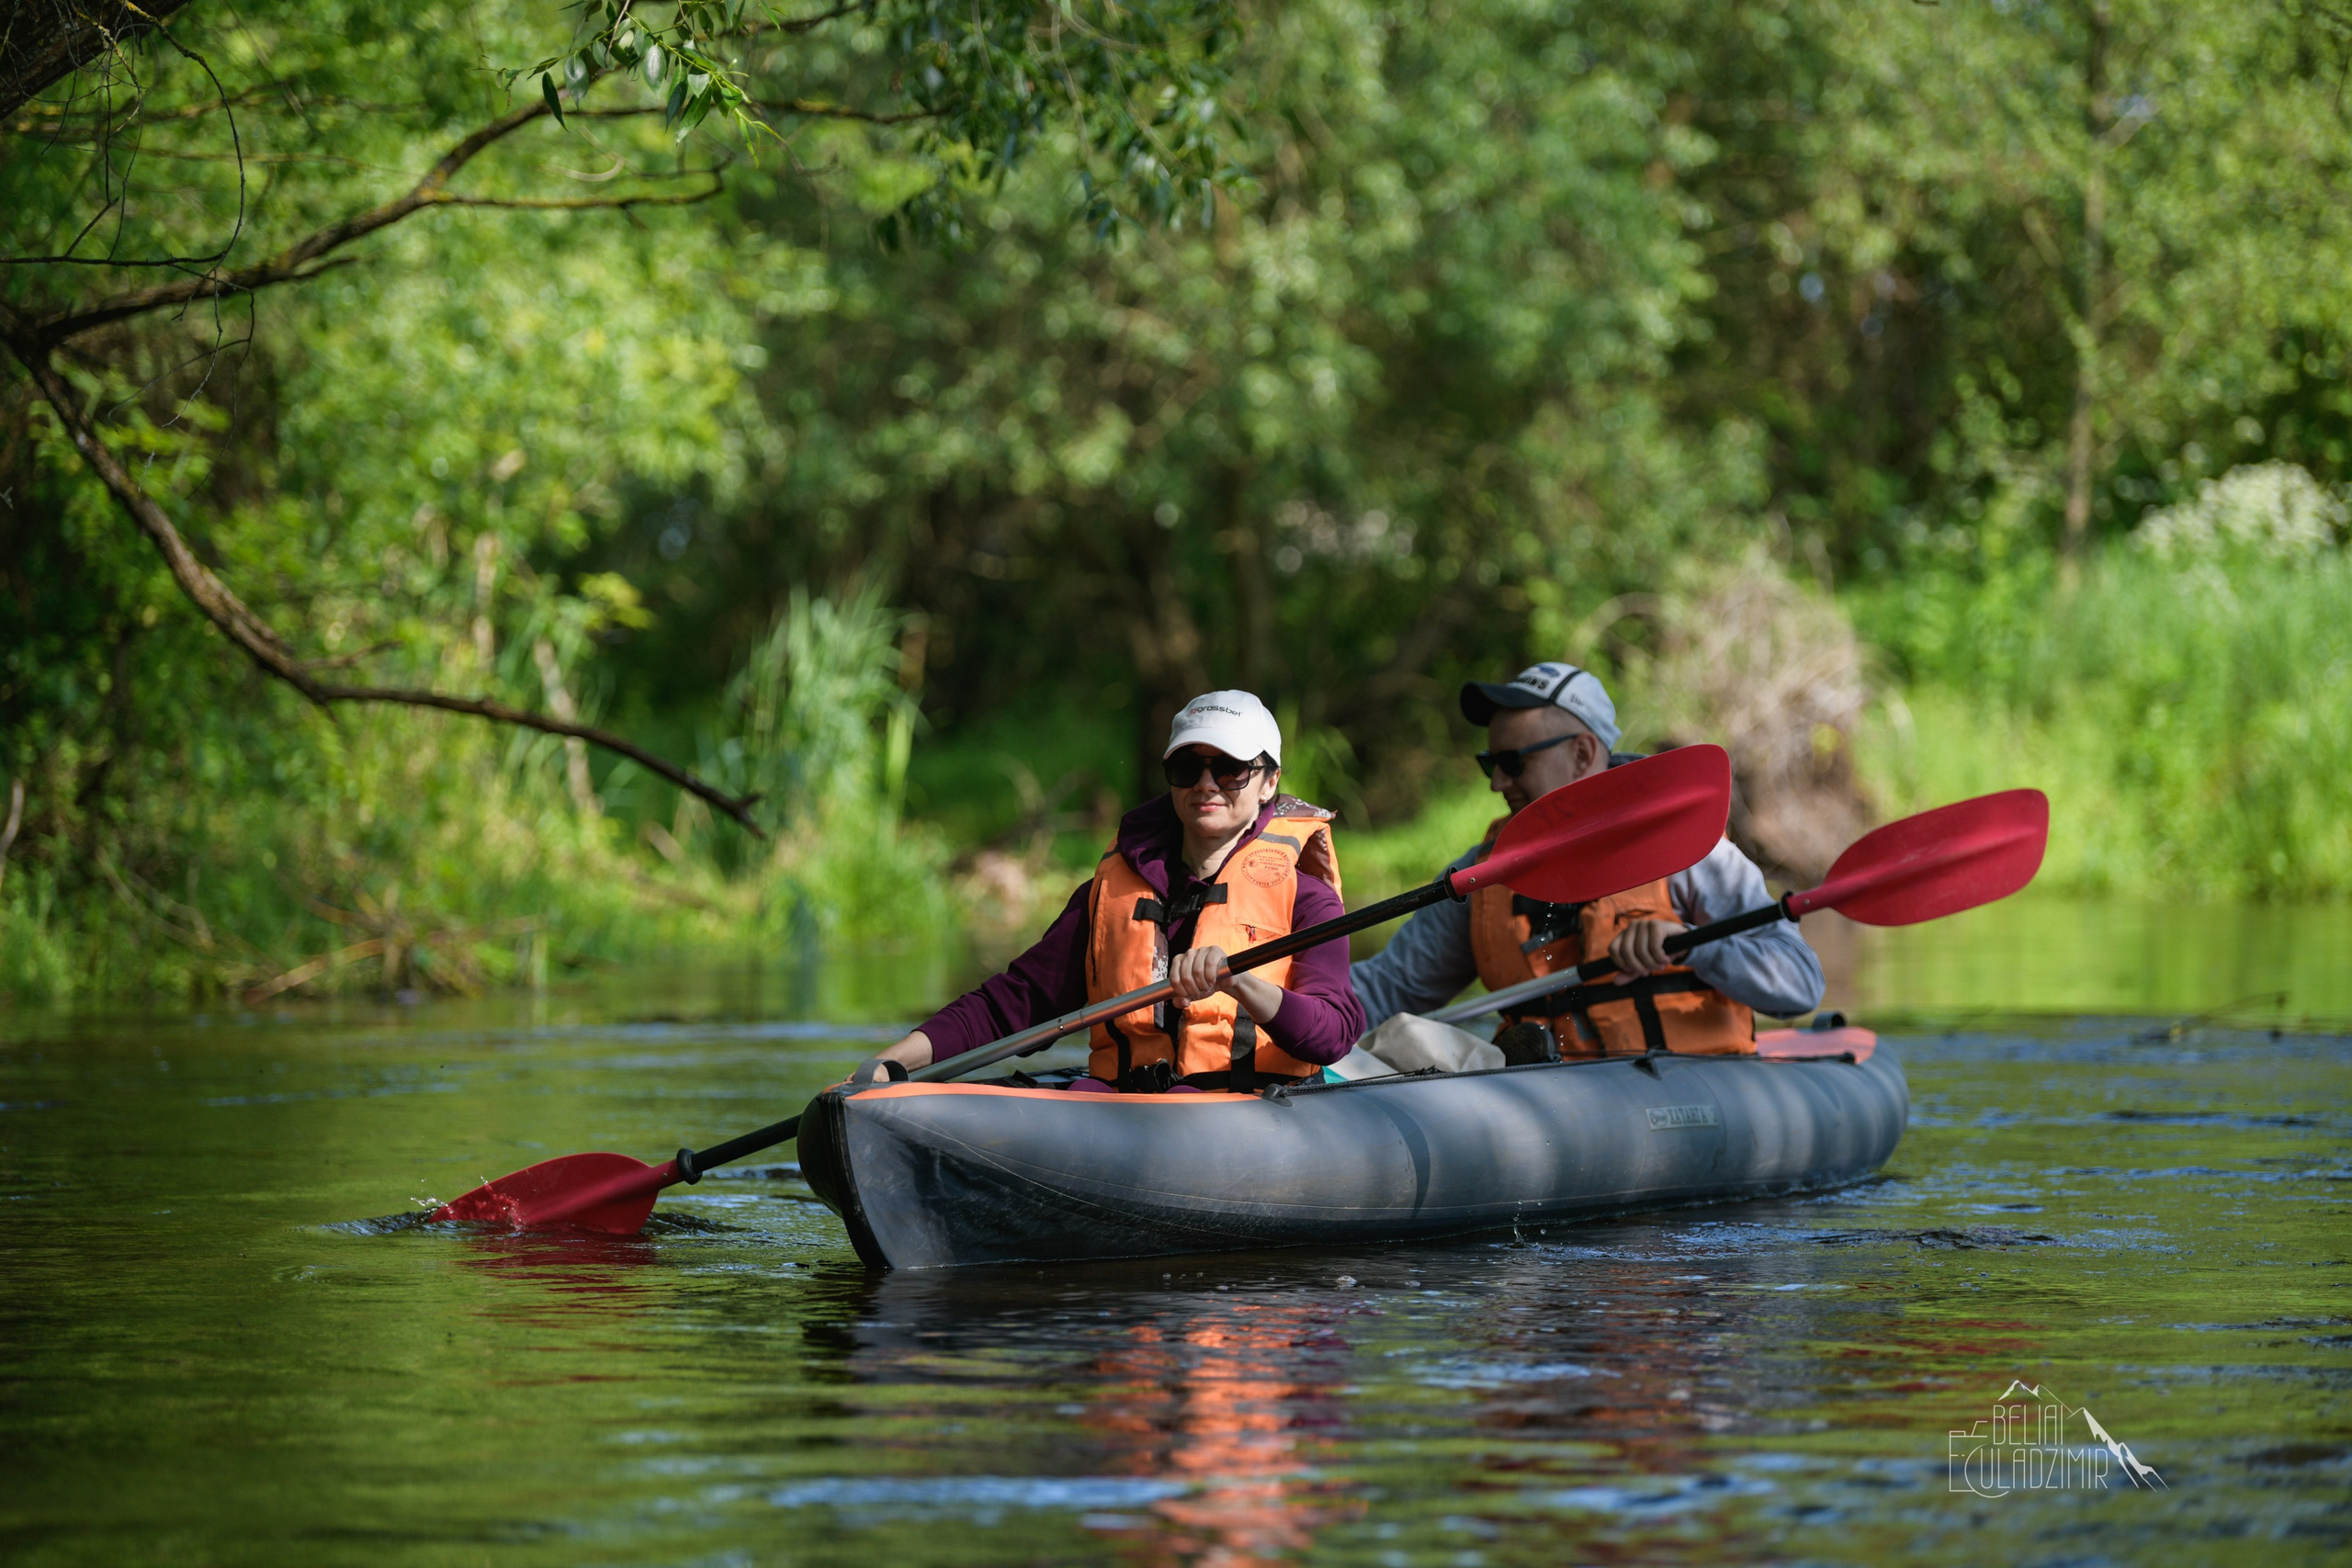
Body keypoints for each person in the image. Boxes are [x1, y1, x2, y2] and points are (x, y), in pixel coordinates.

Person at [856, 691, 1365, 1092]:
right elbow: (1013, 1003)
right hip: (1128, 1106)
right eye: (1188, 768)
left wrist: (1240, 983)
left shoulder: (1307, 900)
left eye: (1231, 769)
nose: (1207, 784)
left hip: (1249, 1106)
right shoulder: (1108, 897)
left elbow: (1333, 1033)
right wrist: (892, 1060)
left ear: (1269, 782)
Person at [1351, 661, 1824, 1061]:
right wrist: (1285, 998)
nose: (1497, 783)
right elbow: (1386, 989)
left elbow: (1799, 984)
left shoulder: (1690, 854)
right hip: (1555, 1105)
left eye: (1514, 763)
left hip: (1686, 1087)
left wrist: (1692, 945)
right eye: (1488, 763)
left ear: (1582, 753)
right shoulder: (1482, 876)